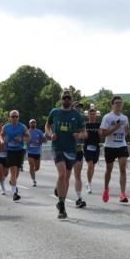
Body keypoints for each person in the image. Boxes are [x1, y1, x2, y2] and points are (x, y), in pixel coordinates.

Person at [46, 91, 86, 219]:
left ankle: (60, 197)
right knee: (62, 174)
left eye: (69, 98)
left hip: (71, 150)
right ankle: (62, 206)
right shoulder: (55, 112)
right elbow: (47, 125)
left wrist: (79, 135)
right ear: (61, 99)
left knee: (66, 178)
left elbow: (84, 133)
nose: (67, 99)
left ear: (71, 100)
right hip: (57, 147)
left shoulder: (77, 115)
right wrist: (50, 134)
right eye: (64, 98)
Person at [99, 95, 130, 203]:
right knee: (109, 170)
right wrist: (114, 128)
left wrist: (126, 129)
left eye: (120, 103)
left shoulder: (125, 118)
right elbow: (103, 133)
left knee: (123, 169)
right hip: (110, 146)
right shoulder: (107, 117)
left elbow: (126, 132)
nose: (118, 105)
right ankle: (106, 190)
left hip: (121, 145)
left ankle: (123, 194)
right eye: (116, 103)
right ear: (112, 105)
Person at [3, 110, 27, 201]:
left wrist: (21, 139)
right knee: (13, 171)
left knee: (17, 172)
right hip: (10, 151)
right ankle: (14, 193)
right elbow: (2, 135)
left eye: (16, 116)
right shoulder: (6, 127)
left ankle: (12, 182)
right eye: (13, 116)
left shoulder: (22, 127)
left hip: (20, 150)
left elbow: (28, 136)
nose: (15, 118)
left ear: (18, 117)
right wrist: (3, 141)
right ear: (10, 118)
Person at [71, 103, 88, 208]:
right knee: (64, 175)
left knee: (77, 175)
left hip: (77, 151)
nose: (79, 109)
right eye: (77, 107)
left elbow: (85, 135)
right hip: (66, 150)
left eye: (80, 108)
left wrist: (79, 134)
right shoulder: (66, 118)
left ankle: (79, 198)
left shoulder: (81, 121)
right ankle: (59, 188)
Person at [82, 106, 101, 193]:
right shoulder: (85, 125)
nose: (92, 116)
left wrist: (101, 132)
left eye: (94, 114)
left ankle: (89, 181)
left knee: (93, 166)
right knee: (90, 165)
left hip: (96, 147)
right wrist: (83, 133)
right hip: (87, 146)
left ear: (96, 115)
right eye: (91, 114)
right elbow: (82, 135)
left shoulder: (99, 125)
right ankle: (89, 185)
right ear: (88, 116)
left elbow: (102, 135)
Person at [26, 118, 46, 187]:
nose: (33, 124)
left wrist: (43, 139)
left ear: (36, 124)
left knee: (37, 168)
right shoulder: (27, 132)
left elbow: (44, 140)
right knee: (31, 165)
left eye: (34, 122)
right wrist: (27, 141)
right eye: (31, 123)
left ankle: (32, 172)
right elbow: (24, 140)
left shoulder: (39, 132)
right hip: (30, 151)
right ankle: (33, 180)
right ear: (29, 124)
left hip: (37, 152)